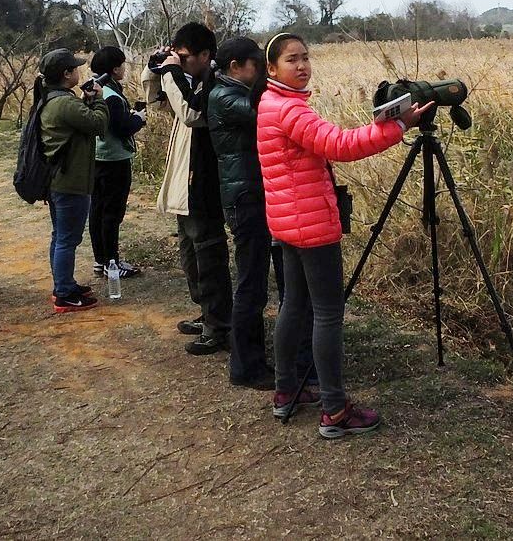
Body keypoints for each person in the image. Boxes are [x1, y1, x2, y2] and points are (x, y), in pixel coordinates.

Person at [257, 33, 430, 438]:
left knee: (294, 306)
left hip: (288, 222)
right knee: (328, 314)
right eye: (291, 60)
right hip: (311, 225)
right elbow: (341, 145)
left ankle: (286, 392)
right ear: (271, 69)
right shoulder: (290, 111)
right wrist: (397, 126)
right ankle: (334, 410)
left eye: (305, 58)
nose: (301, 66)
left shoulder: (270, 104)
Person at [209, 37, 313, 390]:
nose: (260, 74)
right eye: (258, 65)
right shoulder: (224, 96)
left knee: (267, 281)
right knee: (251, 284)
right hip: (246, 199)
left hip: (255, 195)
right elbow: (264, 114)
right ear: (236, 66)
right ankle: (247, 366)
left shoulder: (228, 90)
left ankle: (285, 360)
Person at [142, 22, 231, 354]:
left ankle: (219, 324)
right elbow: (161, 105)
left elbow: (192, 112)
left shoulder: (216, 84)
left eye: (184, 56)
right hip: (184, 184)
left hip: (202, 187)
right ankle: (207, 313)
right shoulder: (192, 80)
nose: (178, 61)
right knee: (190, 256)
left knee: (208, 257)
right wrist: (157, 70)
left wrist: (171, 73)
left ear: (205, 55)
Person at [37, 48, 110, 313]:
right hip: (71, 182)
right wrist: (99, 100)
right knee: (67, 239)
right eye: (75, 68)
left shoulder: (55, 99)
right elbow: (98, 125)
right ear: (66, 74)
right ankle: (64, 293)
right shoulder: (65, 103)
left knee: (61, 237)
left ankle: (64, 284)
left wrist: (86, 100)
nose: (79, 71)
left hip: (60, 180)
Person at [88, 45, 147, 279]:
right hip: (114, 160)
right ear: (114, 69)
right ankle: (111, 263)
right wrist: (138, 120)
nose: (125, 68)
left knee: (98, 210)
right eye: (122, 64)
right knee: (112, 213)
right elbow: (121, 129)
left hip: (98, 158)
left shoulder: (96, 89)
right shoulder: (111, 96)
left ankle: (100, 261)